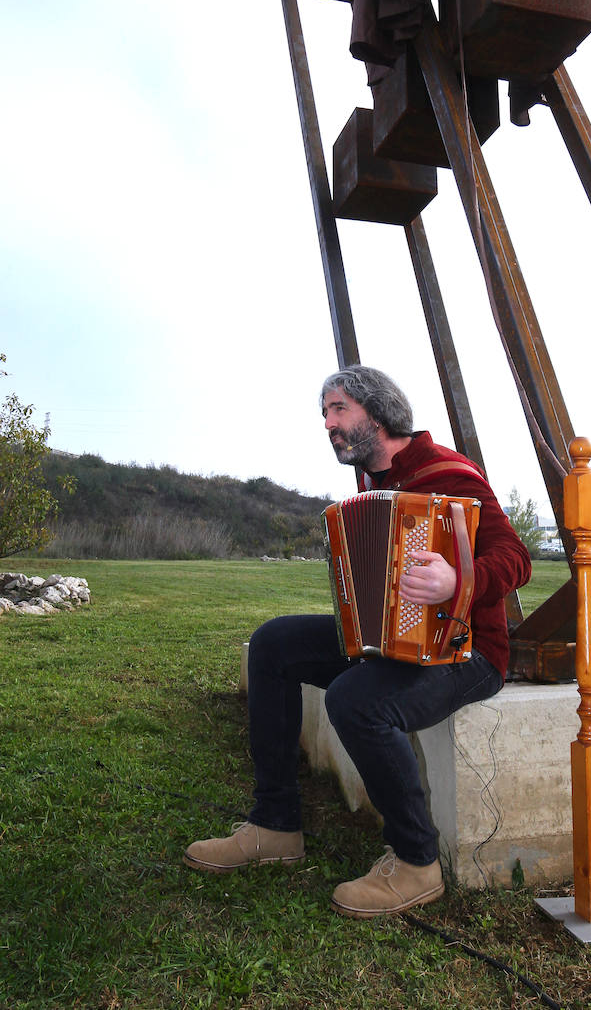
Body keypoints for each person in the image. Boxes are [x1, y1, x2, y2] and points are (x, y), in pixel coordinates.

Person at [184, 365, 531, 917]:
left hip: (467, 651)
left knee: (355, 700)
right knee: (274, 644)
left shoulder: (449, 472)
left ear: (378, 411)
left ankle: (417, 861)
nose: (328, 424)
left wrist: (457, 581)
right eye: (324, 414)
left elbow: (516, 559)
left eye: (337, 409)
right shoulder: (372, 483)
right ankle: (275, 827)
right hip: (393, 641)